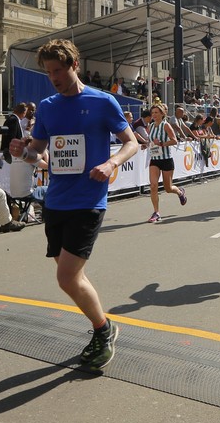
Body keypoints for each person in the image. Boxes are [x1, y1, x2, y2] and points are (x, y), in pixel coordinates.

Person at [9, 39, 140, 372]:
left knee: (66, 277)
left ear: (74, 65)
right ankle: (102, 325)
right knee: (70, 274)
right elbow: (38, 152)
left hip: (88, 200)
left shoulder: (102, 101)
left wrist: (111, 163)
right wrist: (23, 152)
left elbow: (132, 143)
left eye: (58, 70)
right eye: (48, 72)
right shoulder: (48, 106)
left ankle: (103, 329)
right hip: (56, 201)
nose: (54, 77)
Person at [145, 103, 188, 223]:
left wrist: (162, 144)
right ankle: (156, 212)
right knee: (153, 186)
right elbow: (151, 141)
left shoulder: (166, 125)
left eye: (156, 113)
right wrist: (146, 145)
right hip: (155, 159)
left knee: (168, 188)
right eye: (152, 113)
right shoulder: (150, 126)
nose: (154, 115)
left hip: (166, 159)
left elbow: (174, 141)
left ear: (162, 114)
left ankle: (179, 192)